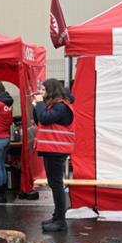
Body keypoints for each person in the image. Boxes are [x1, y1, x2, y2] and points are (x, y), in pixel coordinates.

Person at [32, 78, 75, 233]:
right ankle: (57, 216)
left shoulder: (61, 107)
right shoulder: (53, 106)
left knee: (56, 185)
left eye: (43, 90)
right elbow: (39, 120)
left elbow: (45, 118)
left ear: (51, 90)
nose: (41, 92)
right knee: (53, 183)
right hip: (51, 149)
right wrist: (36, 105)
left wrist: (40, 103)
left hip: (57, 150)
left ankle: (61, 221)